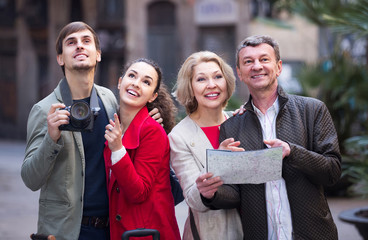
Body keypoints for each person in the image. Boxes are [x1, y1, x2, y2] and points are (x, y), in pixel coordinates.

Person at [20, 22, 161, 240]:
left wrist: (151, 118)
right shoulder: (44, 109)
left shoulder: (108, 99)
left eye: (86, 41)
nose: (79, 46)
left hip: (111, 228)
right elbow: (30, 179)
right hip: (67, 231)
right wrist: (51, 137)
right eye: (71, 43)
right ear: (60, 58)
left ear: (98, 55)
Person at [199, 35, 342, 239]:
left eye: (264, 59)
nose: (257, 66)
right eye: (248, 62)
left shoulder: (312, 110)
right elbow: (234, 194)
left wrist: (293, 152)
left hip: (313, 234)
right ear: (240, 73)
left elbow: (333, 172)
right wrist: (211, 193)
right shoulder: (231, 127)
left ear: (279, 67)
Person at [169, 51, 243, 240]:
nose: (212, 85)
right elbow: (194, 200)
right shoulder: (179, 136)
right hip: (209, 233)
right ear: (190, 87)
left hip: (248, 230)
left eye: (218, 77)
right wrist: (218, 160)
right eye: (201, 79)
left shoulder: (240, 121)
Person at [103, 58, 181, 240]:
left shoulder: (152, 131)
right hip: (124, 231)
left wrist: (118, 150)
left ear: (153, 96)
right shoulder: (115, 127)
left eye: (146, 82)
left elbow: (139, 192)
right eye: (132, 76)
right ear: (120, 82)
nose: (136, 84)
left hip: (147, 233)